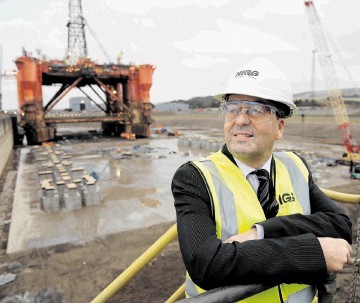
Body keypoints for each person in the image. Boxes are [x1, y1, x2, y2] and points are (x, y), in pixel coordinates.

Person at [171, 58, 352, 303]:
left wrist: (261, 233)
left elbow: (340, 224)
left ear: (279, 127)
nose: (241, 119)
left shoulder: (295, 165)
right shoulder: (195, 177)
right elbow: (206, 264)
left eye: (256, 110)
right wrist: (312, 252)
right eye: (233, 109)